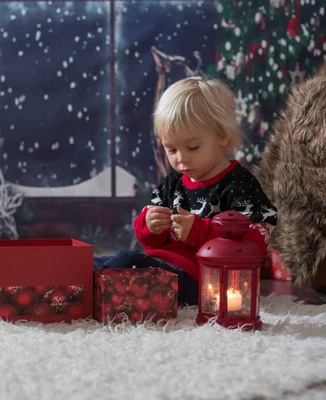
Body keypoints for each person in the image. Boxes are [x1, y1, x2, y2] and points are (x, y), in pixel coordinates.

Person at [94, 76, 277, 306]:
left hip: (204, 281)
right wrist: (150, 226)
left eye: (192, 147)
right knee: (96, 262)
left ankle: (100, 290)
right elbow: (150, 243)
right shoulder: (172, 185)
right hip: (159, 266)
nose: (181, 159)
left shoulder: (240, 185)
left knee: (125, 261)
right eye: (171, 149)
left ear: (221, 135)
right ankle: (88, 286)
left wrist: (201, 232)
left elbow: (254, 244)